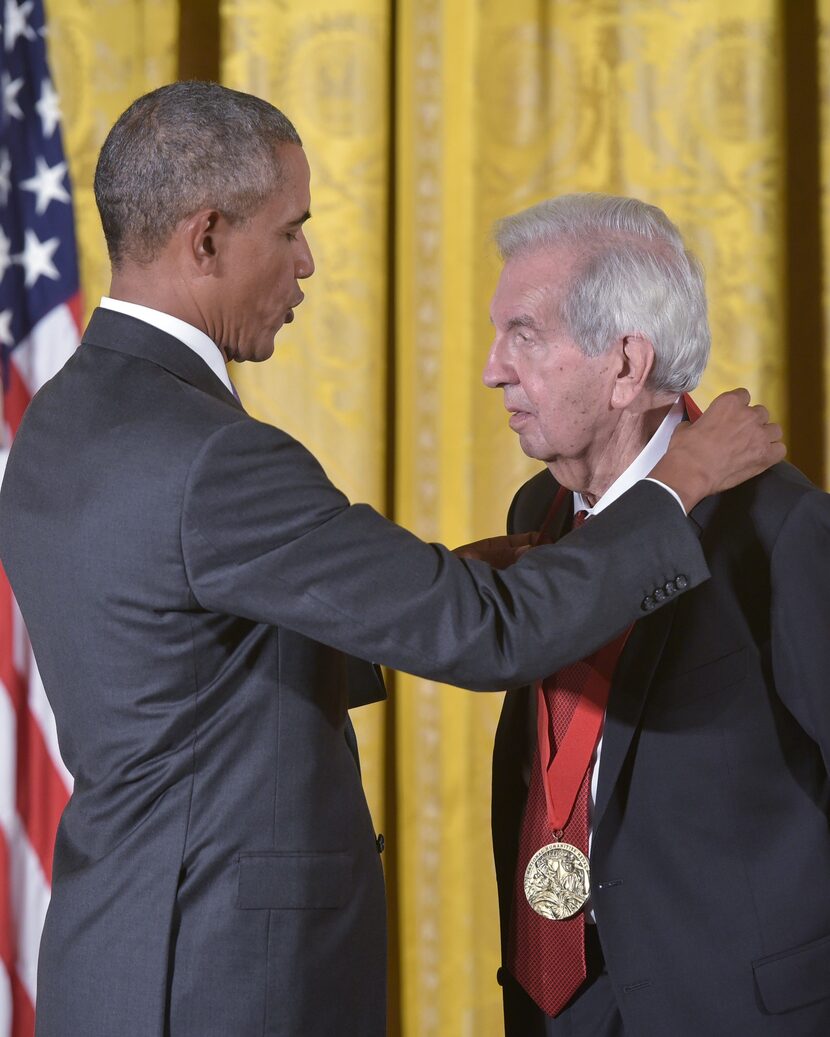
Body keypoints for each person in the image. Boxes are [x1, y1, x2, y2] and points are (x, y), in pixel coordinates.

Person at [0, 83, 781, 1037]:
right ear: (204, 238)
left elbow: (186, 648)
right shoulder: (210, 455)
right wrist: (678, 485)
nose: (307, 263)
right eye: (289, 231)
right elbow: (487, 637)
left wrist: (457, 574)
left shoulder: (65, 416)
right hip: (220, 978)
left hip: (118, 956)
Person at [485, 193, 830, 1036]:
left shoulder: (778, 527)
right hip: (559, 1001)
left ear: (627, 365)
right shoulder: (541, 502)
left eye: (524, 335)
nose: (493, 367)